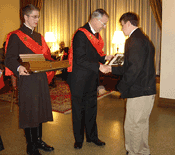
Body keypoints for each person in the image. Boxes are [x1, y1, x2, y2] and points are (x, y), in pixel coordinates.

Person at [5, 4, 55, 155]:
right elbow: (9, 59)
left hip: (40, 78)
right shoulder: (15, 36)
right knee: (30, 113)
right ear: (25, 17)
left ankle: (39, 140)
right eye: (34, 17)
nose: (37, 19)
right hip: (27, 80)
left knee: (39, 110)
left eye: (38, 16)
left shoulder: (39, 36)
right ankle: (31, 146)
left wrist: (54, 63)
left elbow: (45, 57)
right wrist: (19, 68)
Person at [106, 12, 156, 155]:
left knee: (132, 125)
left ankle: (133, 152)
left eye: (122, 25)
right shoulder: (144, 39)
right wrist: (112, 68)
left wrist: (121, 87)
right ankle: (143, 151)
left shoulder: (133, 40)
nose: (122, 29)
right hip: (146, 90)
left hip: (139, 91)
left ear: (128, 23)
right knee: (141, 124)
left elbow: (133, 69)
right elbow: (133, 66)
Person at [67, 8, 113, 149]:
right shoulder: (80, 34)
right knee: (78, 110)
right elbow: (80, 59)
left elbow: (94, 56)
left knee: (91, 108)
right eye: (103, 23)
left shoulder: (97, 35)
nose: (104, 27)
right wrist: (99, 67)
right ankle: (79, 139)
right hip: (79, 79)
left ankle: (93, 137)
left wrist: (105, 58)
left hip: (91, 78)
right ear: (95, 19)